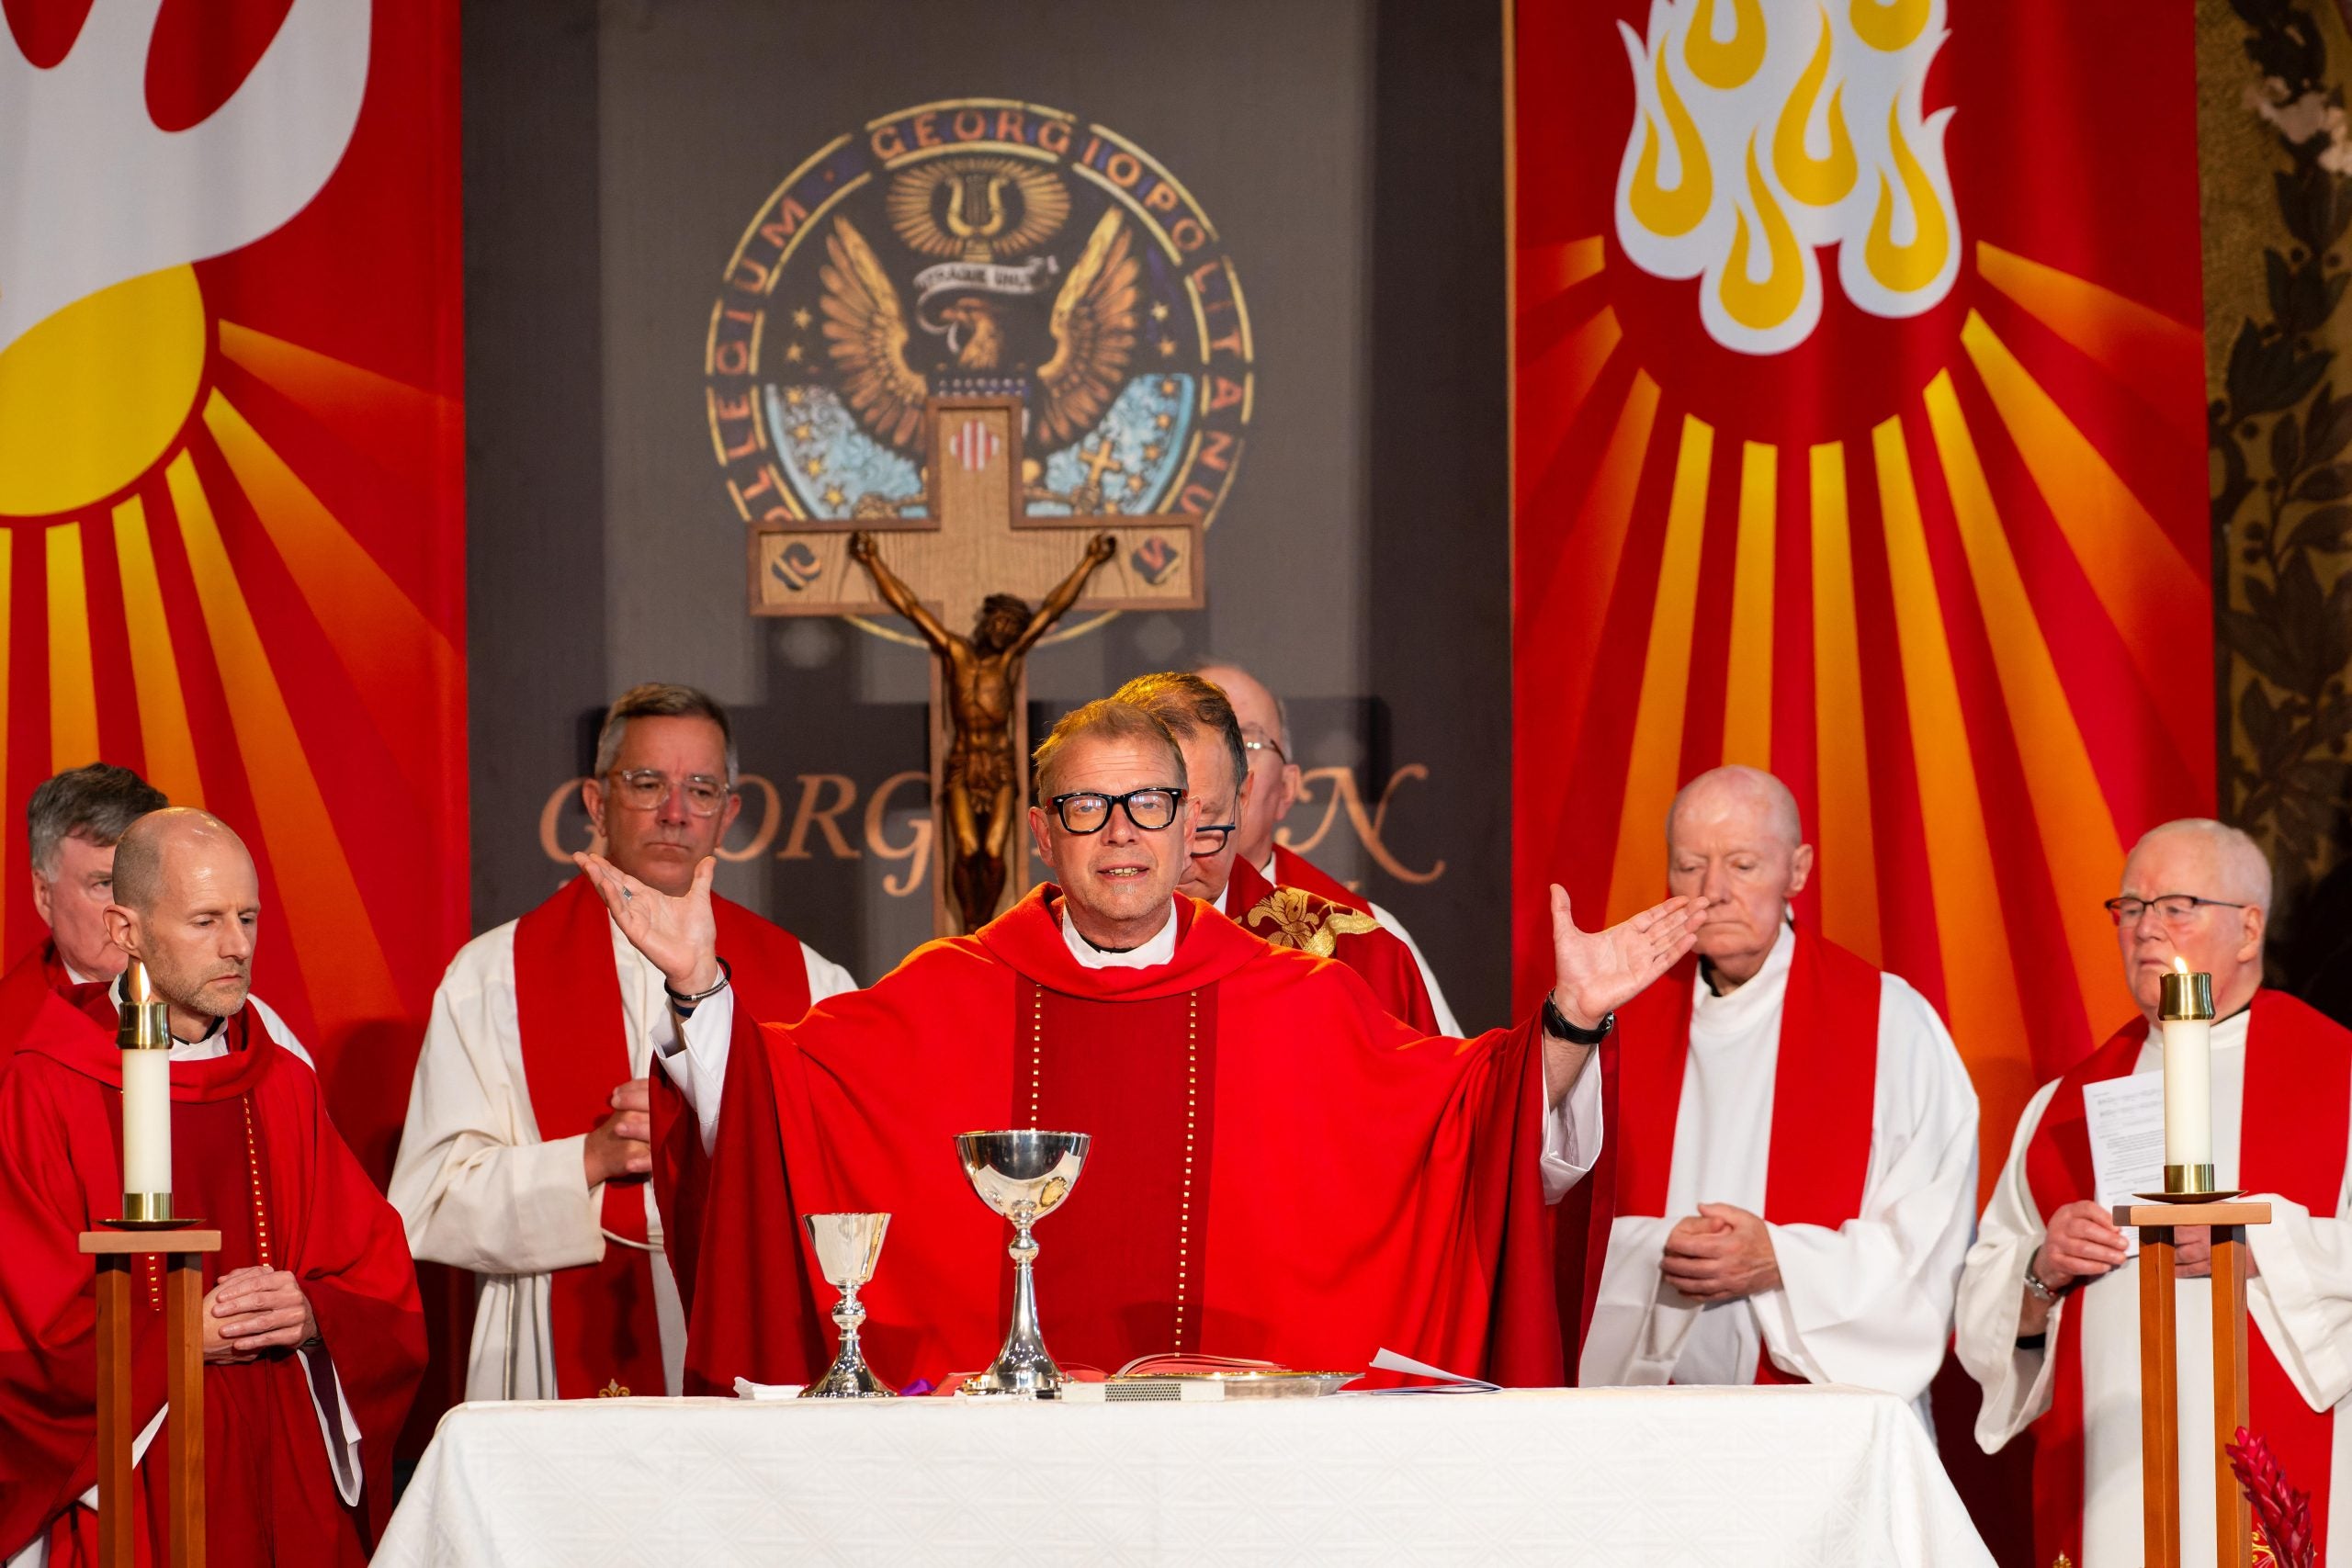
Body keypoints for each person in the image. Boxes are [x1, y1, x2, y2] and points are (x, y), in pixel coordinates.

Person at [586, 697, 1704, 1394]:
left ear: (1191, 828)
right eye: (1086, 809)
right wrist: (697, 985)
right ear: (1040, 831)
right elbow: (784, 1098)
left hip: (1235, 1474)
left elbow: (1464, 1117)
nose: (1120, 834)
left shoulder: (1296, 1001)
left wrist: (1572, 1021)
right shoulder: (951, 992)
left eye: (1148, 806)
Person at [390, 683, 854, 1401]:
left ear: (729, 813)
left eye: (701, 788)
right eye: (647, 784)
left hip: (750, 1333)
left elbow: (852, 1190)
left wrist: (718, 1123)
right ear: (597, 802)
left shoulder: (813, 983)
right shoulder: (492, 977)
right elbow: (426, 1203)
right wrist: (590, 1156)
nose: (675, 811)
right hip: (551, 1340)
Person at [0, 809, 424, 1564]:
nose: (238, 945)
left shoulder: (282, 1082)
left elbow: (375, 1273)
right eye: (205, 919)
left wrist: (313, 1312)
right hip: (133, 1482)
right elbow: (25, 1328)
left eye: (247, 916)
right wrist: (172, 1342)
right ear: (126, 928)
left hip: (285, 1464)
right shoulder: (48, 1086)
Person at [1957, 818, 2352, 1567]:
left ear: (2248, 929)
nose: (2145, 929)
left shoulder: (2338, 1074)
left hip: (2293, 1461)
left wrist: (2259, 1240)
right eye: (2130, 907)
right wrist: (2041, 1271)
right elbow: (1987, 1291)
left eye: (2176, 905)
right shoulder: (2064, 1104)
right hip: (2118, 1479)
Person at [1559, 767, 1978, 1422]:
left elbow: (1927, 1244)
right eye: (1690, 865)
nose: (1714, 891)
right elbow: (1554, 1220)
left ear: (1799, 869)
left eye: (1744, 864)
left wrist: (1780, 1261)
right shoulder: (1615, 1023)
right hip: (1646, 1424)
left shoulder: (1890, 1023)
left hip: (1822, 1421)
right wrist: (1663, 1249)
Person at [1113, 671, 1440, 1032]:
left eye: (1204, 824)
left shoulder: (1360, 954)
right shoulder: (1050, 946)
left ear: (1243, 797)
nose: (1180, 858)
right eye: (1149, 813)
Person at [1193, 660, 1459, 1032]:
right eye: (1188, 739)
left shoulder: (1365, 939)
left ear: (1287, 788)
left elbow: (1449, 1083)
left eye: (1246, 742)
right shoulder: (1101, 914)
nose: (1220, 767)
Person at [0, 764, 170, 1044]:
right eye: (104, 884)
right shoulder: (10, 1039)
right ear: (44, 895)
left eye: (145, 880)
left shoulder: (240, 1024)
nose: (129, 911)